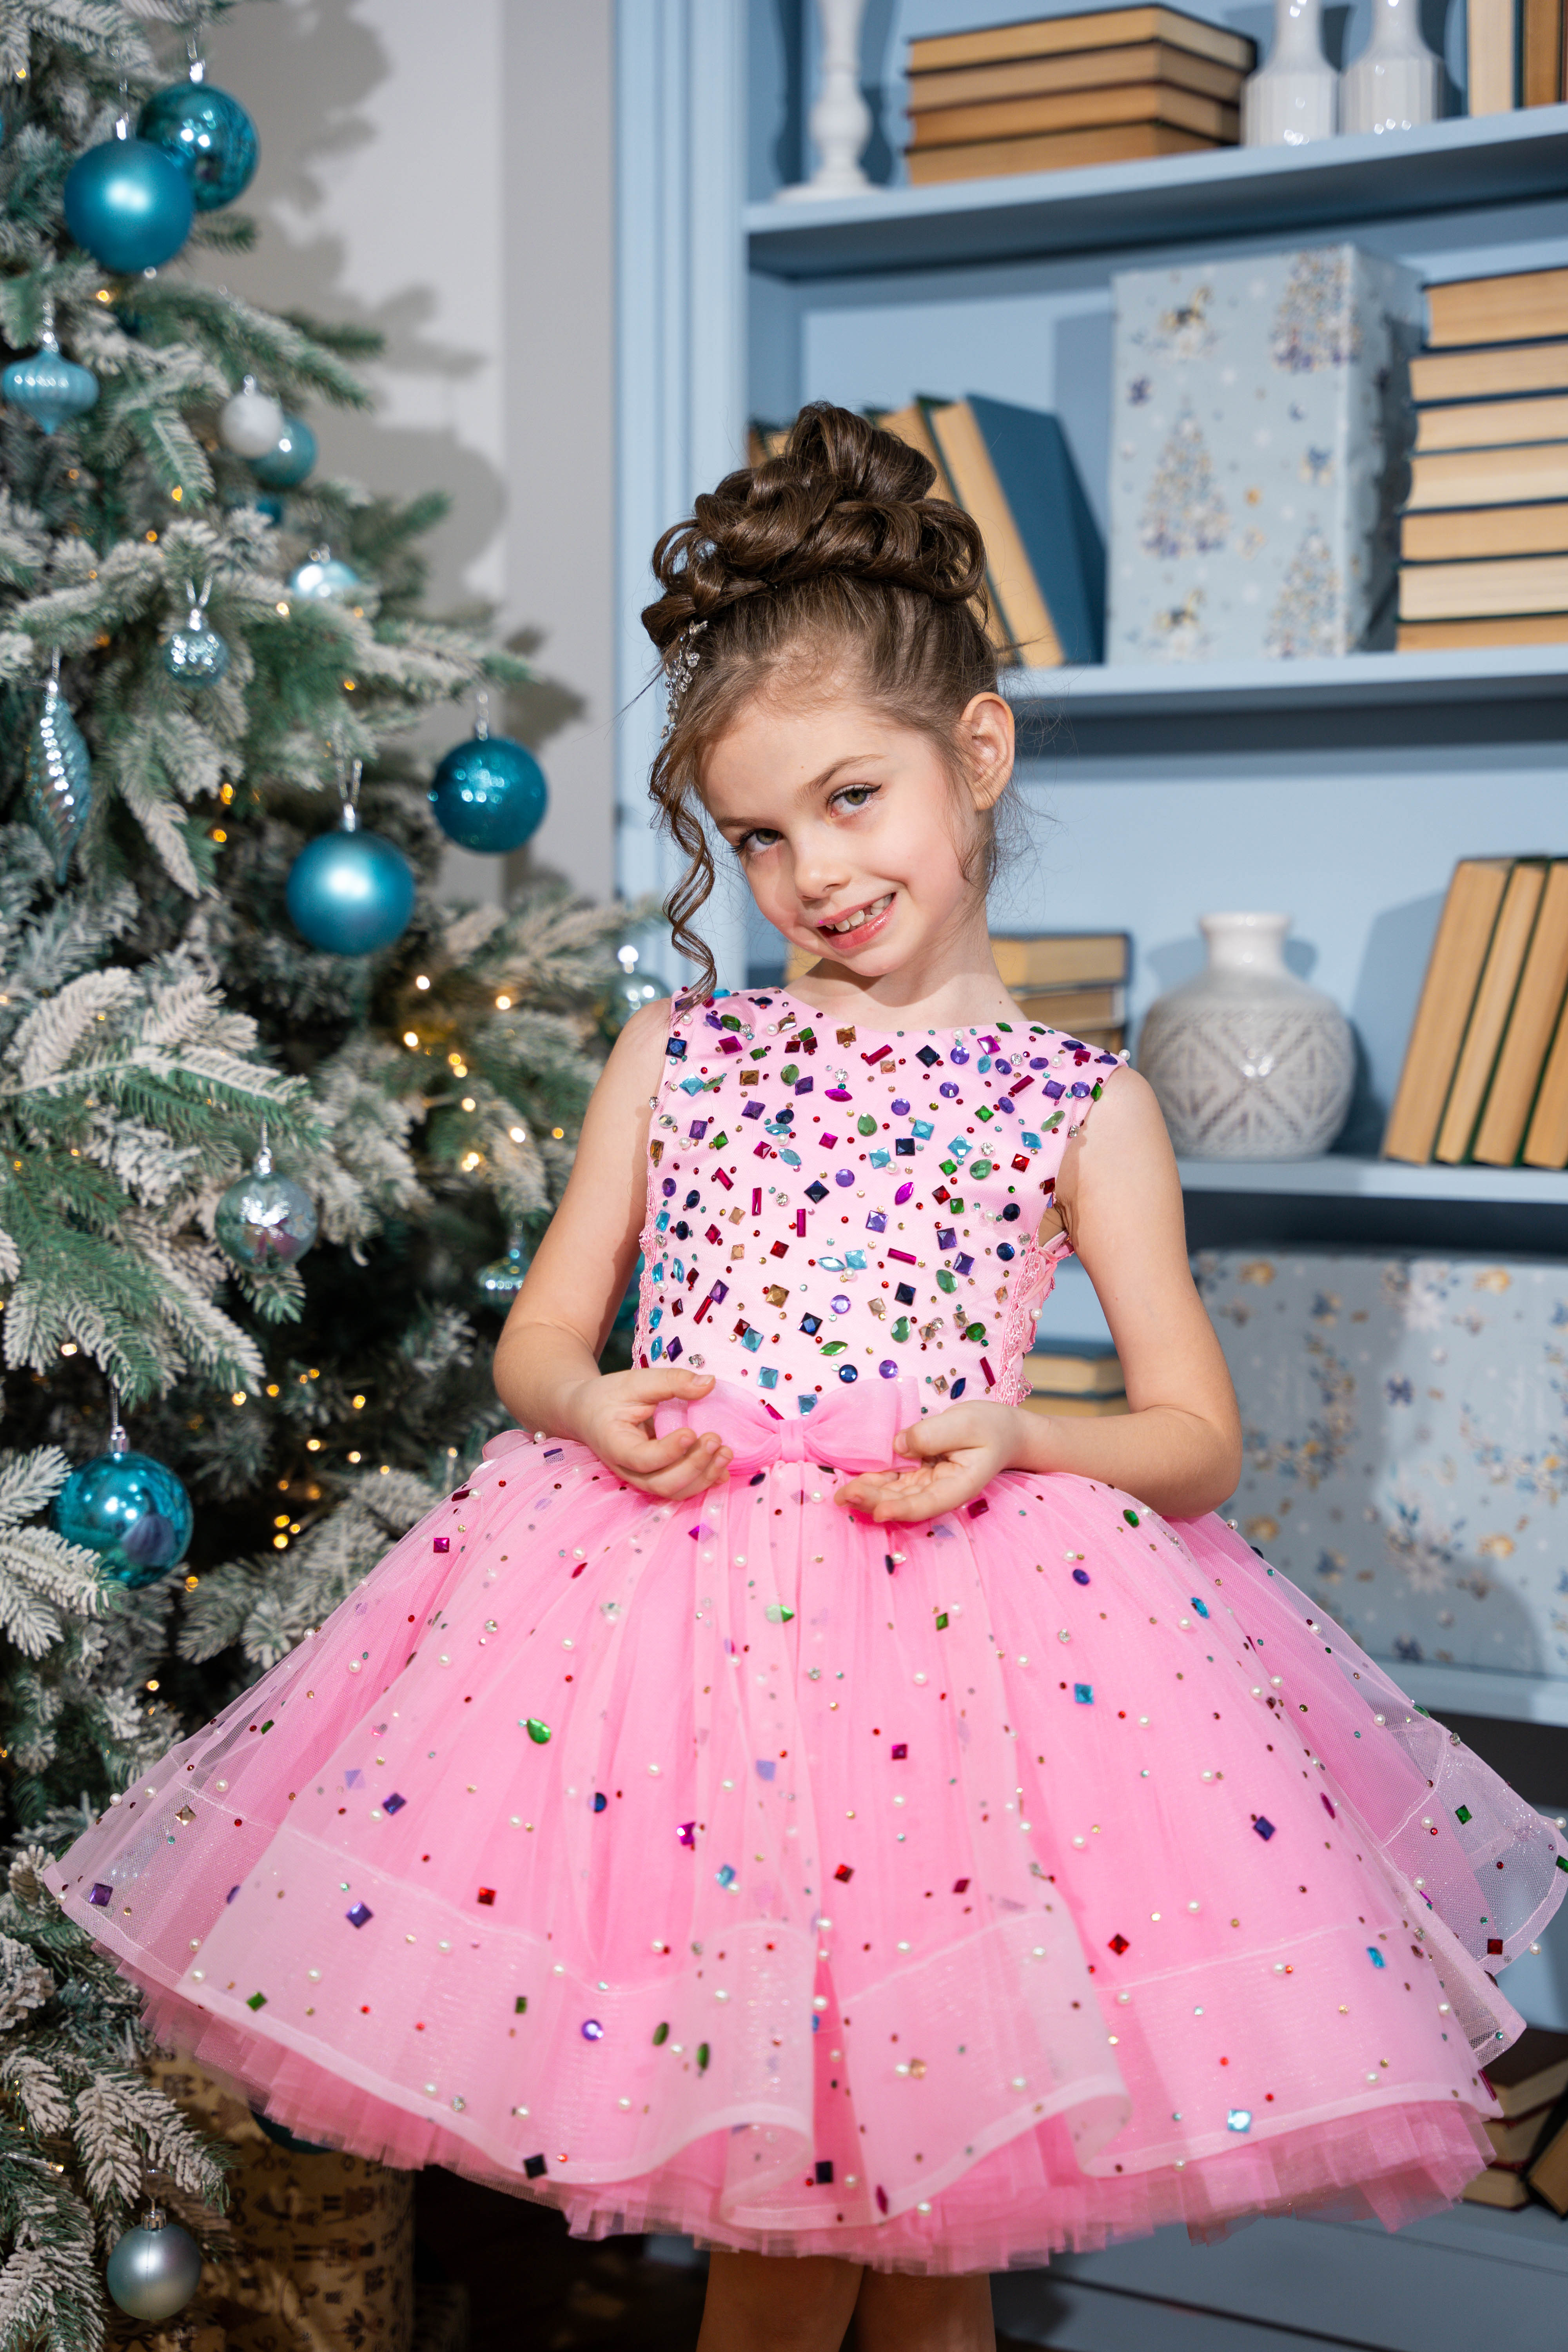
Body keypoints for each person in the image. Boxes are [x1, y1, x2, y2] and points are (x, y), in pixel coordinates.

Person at [49, 405, 1565, 2352]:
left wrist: (1020, 1430)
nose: (810, 872)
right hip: (674, 1672)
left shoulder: (1077, 1103)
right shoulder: (676, 1059)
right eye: (758, 836)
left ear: (977, 755)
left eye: (852, 801)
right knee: (785, 2230)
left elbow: (1194, 1441)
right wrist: (592, 1406)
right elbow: (540, 1341)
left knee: (927, 2233)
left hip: (965, 1670)